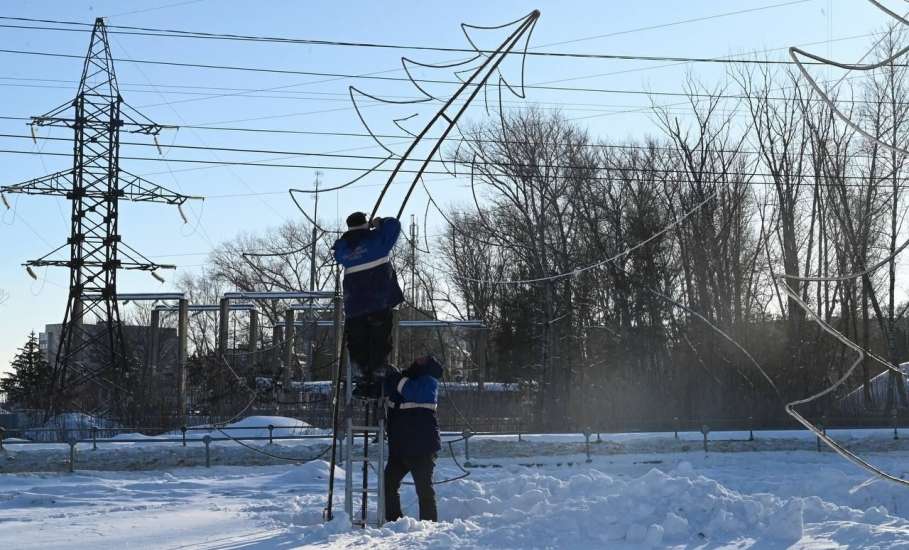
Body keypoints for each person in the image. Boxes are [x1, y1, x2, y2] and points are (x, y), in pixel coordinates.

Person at [332, 212, 405, 396]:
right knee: (379, 342)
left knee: (358, 344)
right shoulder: (377, 241)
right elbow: (394, 225)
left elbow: (339, 251)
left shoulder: (344, 249)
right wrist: (378, 223)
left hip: (355, 308)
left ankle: (363, 378)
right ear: (365, 224)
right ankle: (378, 376)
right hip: (378, 303)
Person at [383, 355, 443, 523]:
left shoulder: (430, 382)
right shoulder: (405, 379)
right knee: (388, 484)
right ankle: (394, 522)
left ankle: (429, 525)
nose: (417, 359)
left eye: (423, 359)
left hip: (422, 448)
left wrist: (396, 378)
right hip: (400, 447)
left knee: (424, 490)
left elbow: (412, 392)